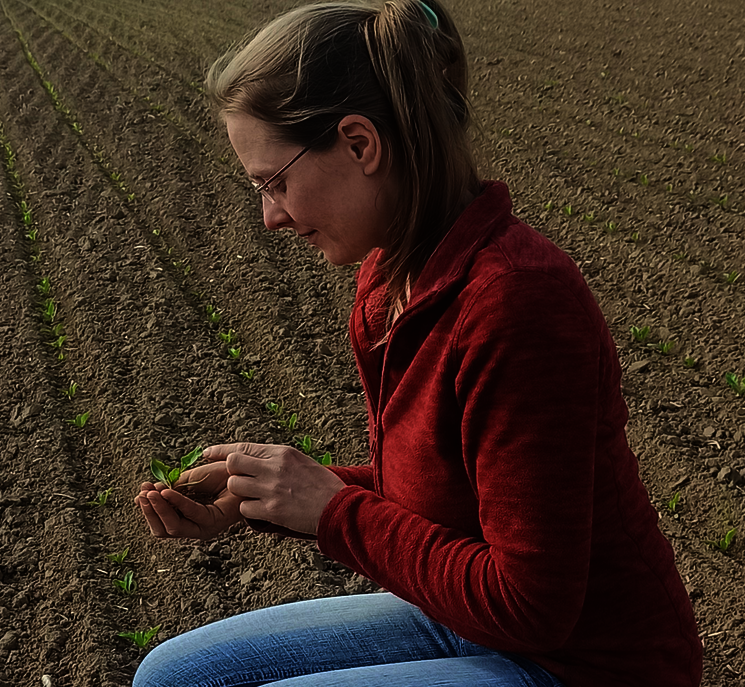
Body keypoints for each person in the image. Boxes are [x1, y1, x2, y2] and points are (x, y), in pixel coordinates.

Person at [133, 1, 703, 685]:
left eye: (275, 182)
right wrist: (260, 494)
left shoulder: (517, 299)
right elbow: (441, 500)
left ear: (359, 143)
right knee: (172, 675)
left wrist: (331, 507)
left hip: (587, 663)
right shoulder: (392, 277)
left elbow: (531, 605)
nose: (271, 216)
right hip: (466, 616)